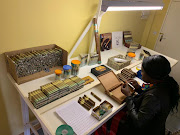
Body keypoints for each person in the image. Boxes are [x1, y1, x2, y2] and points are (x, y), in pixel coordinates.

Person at [94, 55, 180, 135]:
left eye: (142, 71)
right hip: (153, 125)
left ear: (152, 75)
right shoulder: (165, 83)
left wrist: (128, 96)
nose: (141, 73)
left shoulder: (154, 96)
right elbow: (149, 102)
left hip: (143, 131)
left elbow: (138, 121)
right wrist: (138, 88)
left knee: (108, 120)